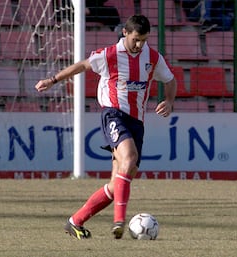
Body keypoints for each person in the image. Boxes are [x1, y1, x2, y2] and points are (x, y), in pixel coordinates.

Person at [35, 15, 177, 239]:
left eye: (144, 40)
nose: (140, 45)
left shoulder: (152, 57)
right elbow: (81, 65)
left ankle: (75, 221)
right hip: (113, 113)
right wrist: (52, 80)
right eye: (136, 39)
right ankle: (119, 221)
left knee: (117, 183)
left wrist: (169, 101)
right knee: (129, 158)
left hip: (137, 122)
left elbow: (170, 80)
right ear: (125, 34)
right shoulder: (109, 54)